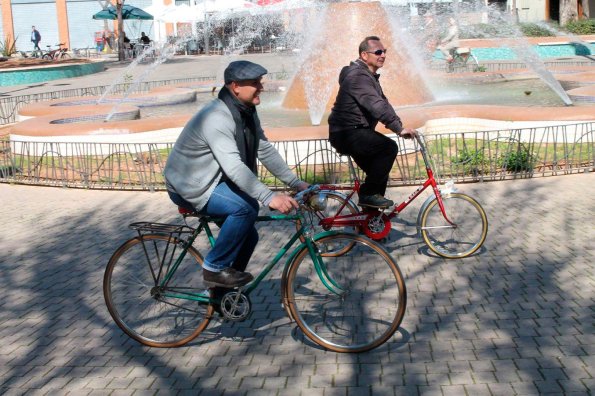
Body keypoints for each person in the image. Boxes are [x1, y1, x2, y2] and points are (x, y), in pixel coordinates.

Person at [164, 60, 309, 288]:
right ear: (235, 87)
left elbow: (263, 149)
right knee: (244, 209)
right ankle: (214, 269)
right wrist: (270, 197)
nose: (261, 87)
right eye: (255, 83)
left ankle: (224, 292)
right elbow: (234, 167)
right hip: (189, 185)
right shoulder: (217, 117)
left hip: (212, 181)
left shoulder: (246, 112)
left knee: (249, 236)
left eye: (260, 82)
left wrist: (295, 182)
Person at [328, 36, 417, 209]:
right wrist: (399, 129)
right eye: (378, 52)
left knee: (379, 175)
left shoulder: (369, 77)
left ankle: (371, 224)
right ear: (364, 55)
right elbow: (375, 105)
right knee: (388, 148)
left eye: (384, 51)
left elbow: (384, 104)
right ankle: (367, 194)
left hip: (354, 132)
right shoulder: (357, 77)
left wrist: (399, 124)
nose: (382, 55)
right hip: (347, 132)